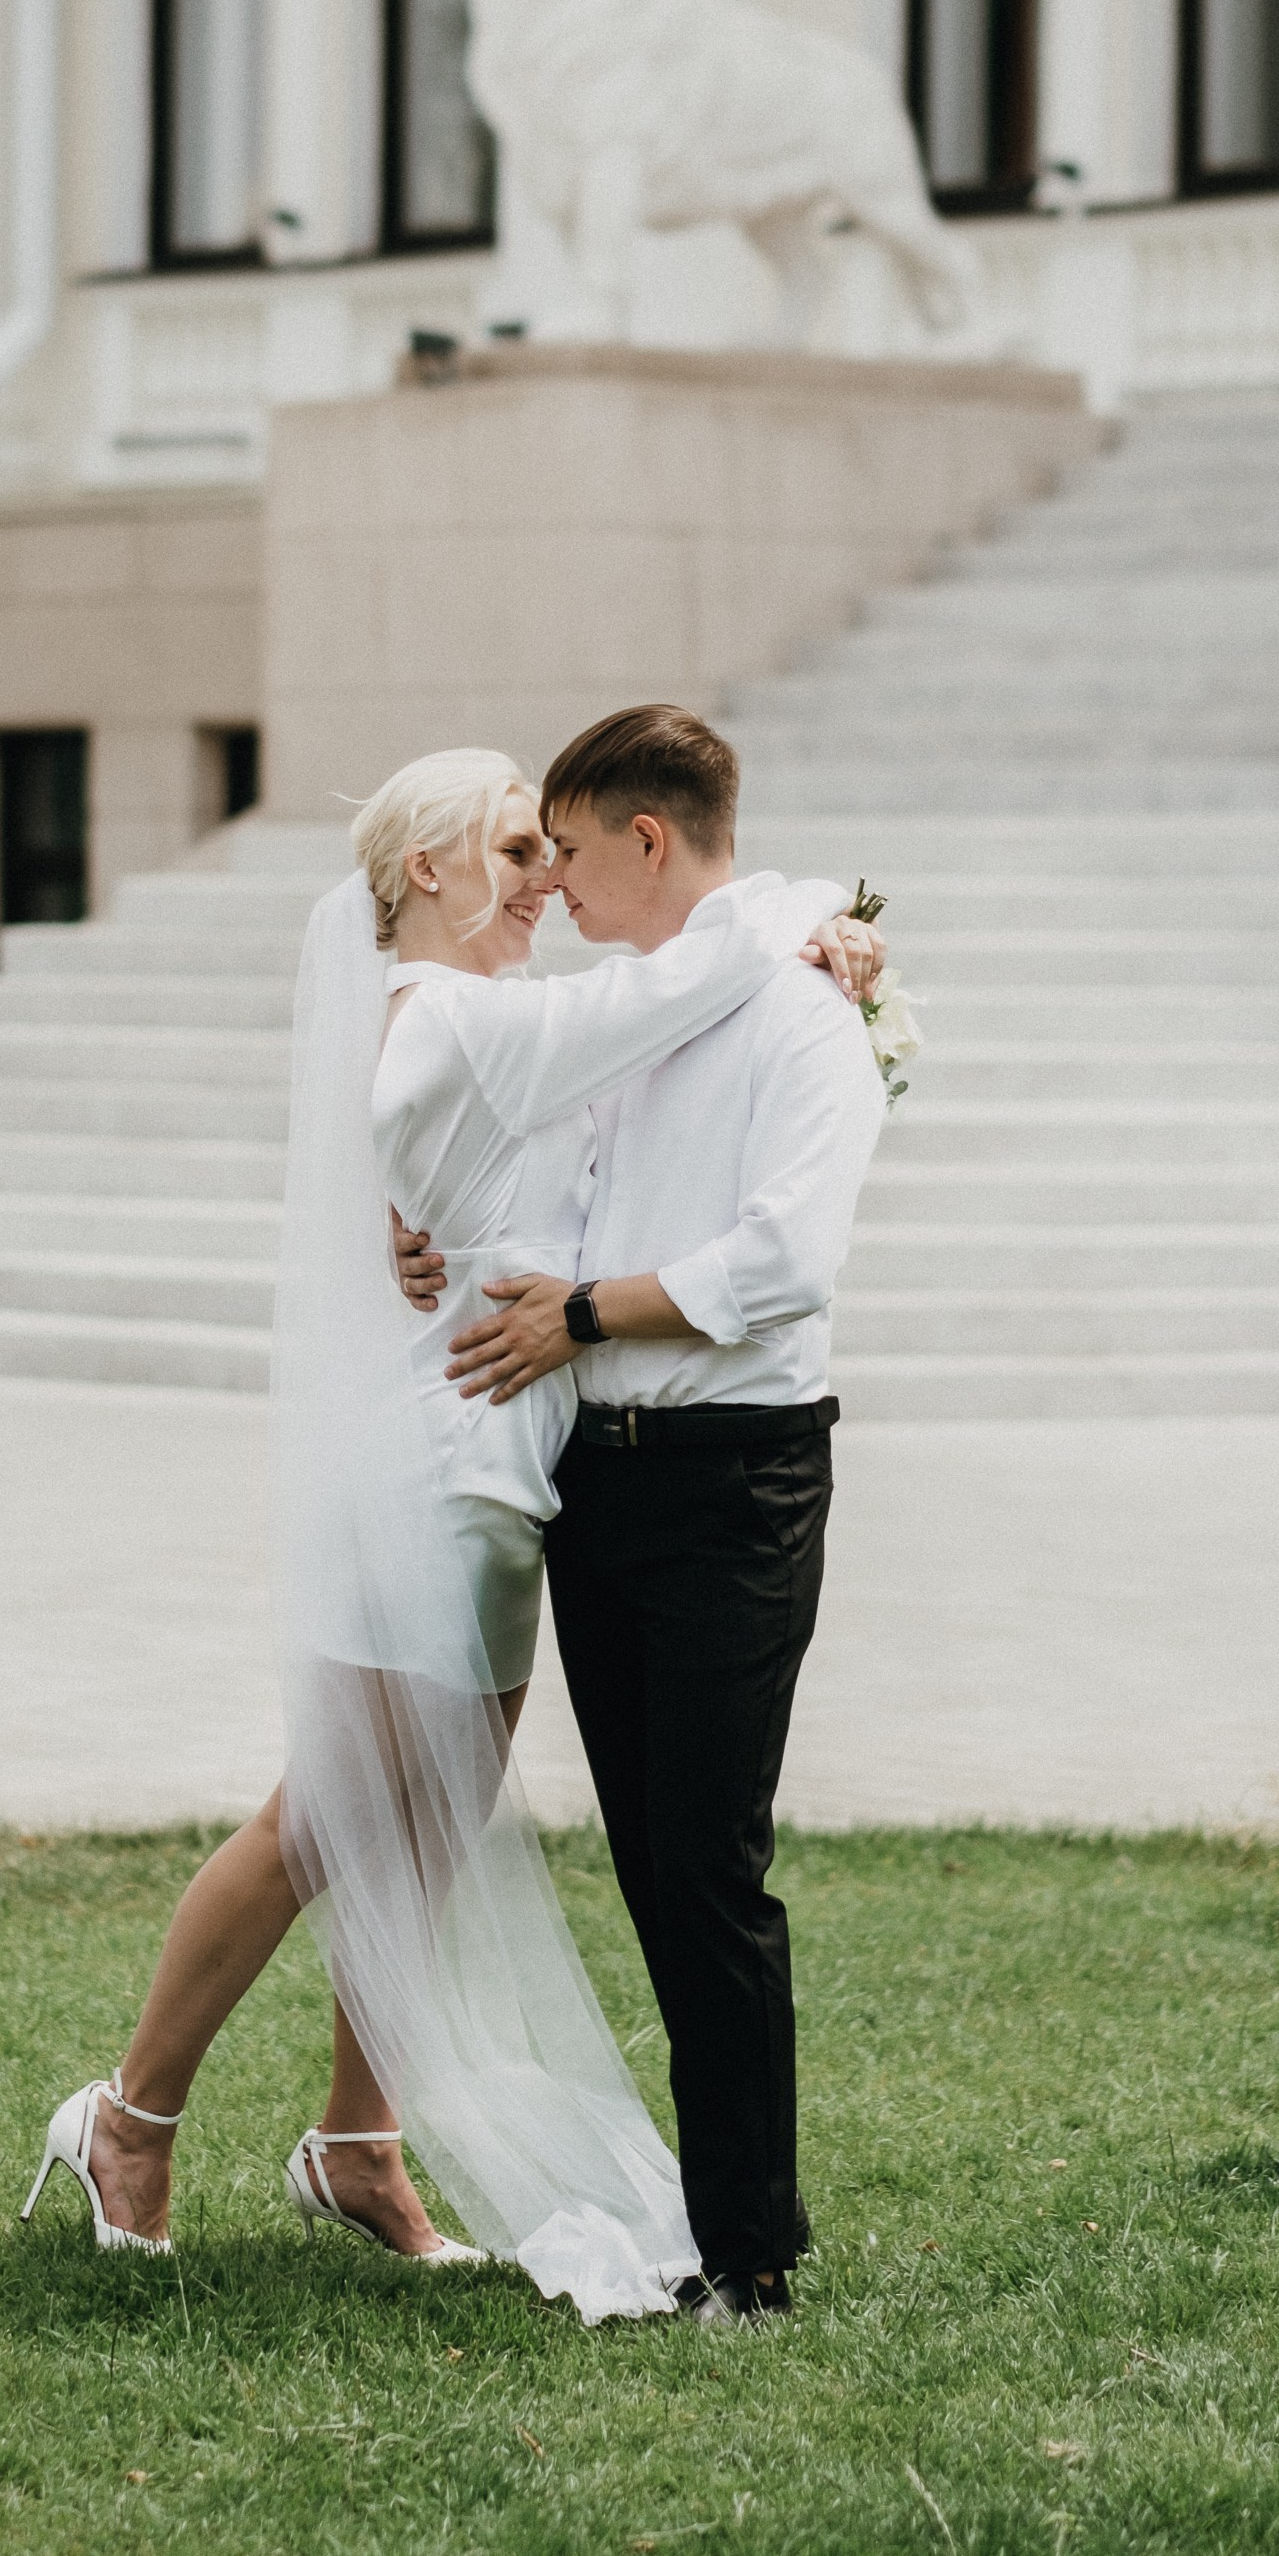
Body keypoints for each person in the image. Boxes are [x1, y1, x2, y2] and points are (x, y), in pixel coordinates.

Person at [21, 745, 881, 2321]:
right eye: (511, 849)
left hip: (513, 1472)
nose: (547, 881)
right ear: (424, 870)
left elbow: (636, 1061)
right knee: (328, 1814)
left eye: (557, 852)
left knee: (418, 1831)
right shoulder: (452, 1020)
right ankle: (126, 2128)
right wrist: (813, 909)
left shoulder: (512, 1025)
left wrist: (822, 933)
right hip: (428, 1463)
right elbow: (655, 997)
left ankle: (360, 2140)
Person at [427, 704, 887, 2330]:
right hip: (591, 1479)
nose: (548, 886)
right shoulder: (608, 1025)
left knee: (705, 1866)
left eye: (564, 851)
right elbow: (535, 1208)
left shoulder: (802, 1026)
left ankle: (751, 2259)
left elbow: (781, 1266)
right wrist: (451, 1257)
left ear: (644, 840)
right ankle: (709, 2225)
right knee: (646, 1859)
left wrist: (587, 1313)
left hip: (730, 1478)